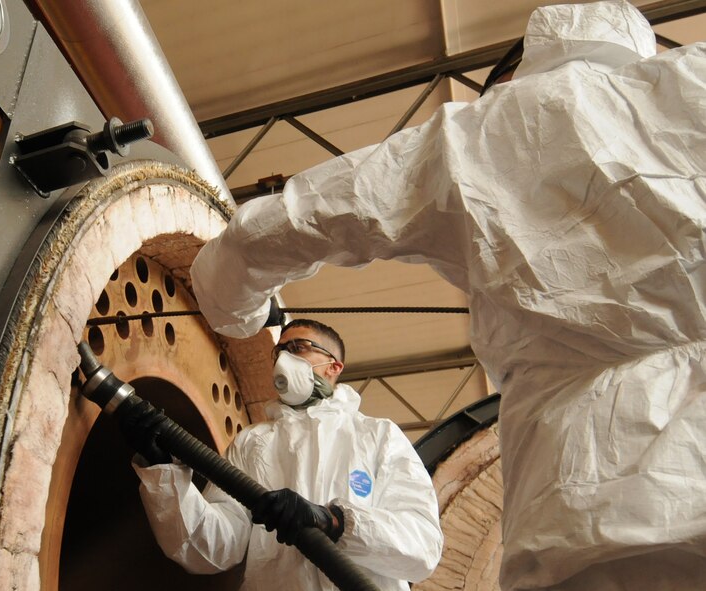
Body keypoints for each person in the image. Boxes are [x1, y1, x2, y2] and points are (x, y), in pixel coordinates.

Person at [188, 2, 706, 590]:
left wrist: (240, 316)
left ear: (511, 77)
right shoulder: (695, 82)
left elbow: (280, 228)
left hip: (593, 496)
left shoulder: (482, 133)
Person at [128, 318, 443, 590]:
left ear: (334, 366)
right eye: (278, 353)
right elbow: (210, 548)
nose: (282, 362)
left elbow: (422, 547)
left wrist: (334, 522)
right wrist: (164, 475)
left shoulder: (378, 437)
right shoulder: (253, 443)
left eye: (298, 349)